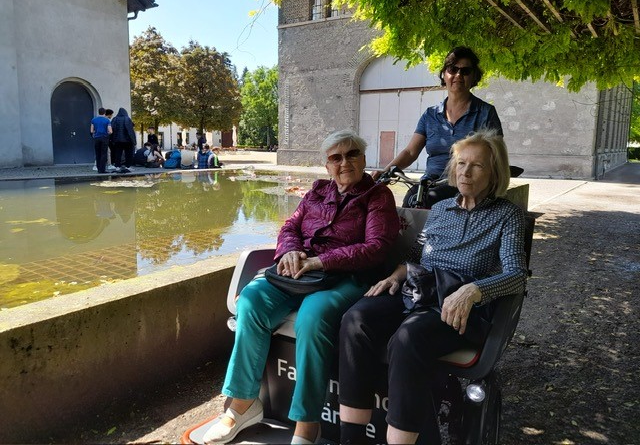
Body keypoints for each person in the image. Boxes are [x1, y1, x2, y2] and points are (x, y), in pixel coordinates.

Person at [202, 130, 400, 445]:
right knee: (250, 301)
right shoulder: (317, 191)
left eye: (352, 154)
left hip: (347, 277)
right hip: (300, 272)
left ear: (364, 159)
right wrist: (290, 251)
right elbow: (290, 226)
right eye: (336, 157)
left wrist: (322, 261)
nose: (344, 162)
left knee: (313, 317)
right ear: (327, 165)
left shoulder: (377, 196)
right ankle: (243, 404)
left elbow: (376, 247)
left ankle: (307, 423)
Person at [338, 129, 527, 445]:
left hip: (461, 307)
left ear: (494, 172)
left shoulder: (506, 215)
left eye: (477, 165)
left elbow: (517, 275)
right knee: (356, 320)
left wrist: (473, 291)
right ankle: (351, 438)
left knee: (408, 338)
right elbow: (416, 256)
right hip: (420, 291)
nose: (466, 172)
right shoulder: (440, 210)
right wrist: (395, 276)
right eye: (461, 163)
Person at [372, 46, 503, 208]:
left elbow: (496, 156)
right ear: (444, 74)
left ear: (474, 76)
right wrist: (385, 172)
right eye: (452, 69)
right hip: (430, 183)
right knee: (410, 201)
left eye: (465, 71)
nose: (458, 75)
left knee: (430, 201)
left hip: (465, 183)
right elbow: (410, 152)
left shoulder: (486, 113)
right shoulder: (430, 115)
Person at [90, 107, 112, 173]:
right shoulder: (107, 120)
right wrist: (106, 133)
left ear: (98, 112)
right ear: (104, 113)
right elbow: (110, 131)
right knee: (103, 154)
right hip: (104, 138)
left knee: (98, 153)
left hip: (97, 138)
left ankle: (98, 168)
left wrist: (96, 132)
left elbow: (91, 131)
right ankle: (102, 169)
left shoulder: (93, 120)